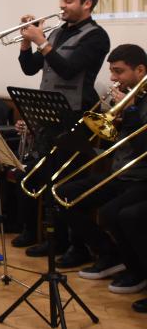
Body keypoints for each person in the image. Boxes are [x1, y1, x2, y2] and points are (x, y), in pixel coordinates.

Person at [14, 0, 111, 255]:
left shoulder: (96, 36)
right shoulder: (57, 33)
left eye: (68, 1)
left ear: (87, 3)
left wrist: (42, 41)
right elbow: (30, 69)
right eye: (62, 0)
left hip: (76, 117)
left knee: (66, 182)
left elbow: (68, 70)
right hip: (50, 116)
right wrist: (26, 42)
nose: (61, 6)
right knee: (49, 181)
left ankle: (76, 247)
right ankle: (55, 241)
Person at [50, 44, 147, 292]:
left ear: (140, 70)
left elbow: (142, 147)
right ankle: (109, 253)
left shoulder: (137, 101)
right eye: (112, 71)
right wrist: (110, 125)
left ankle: (137, 270)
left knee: (112, 213)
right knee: (62, 194)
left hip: (141, 178)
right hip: (120, 173)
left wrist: (131, 110)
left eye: (118, 71)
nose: (113, 78)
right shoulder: (129, 96)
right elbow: (116, 143)